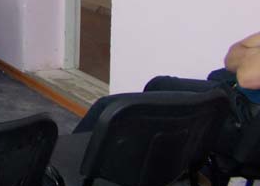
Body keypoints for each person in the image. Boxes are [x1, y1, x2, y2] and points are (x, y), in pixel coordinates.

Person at [74, 32, 260, 137]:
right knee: (158, 84)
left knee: (110, 107)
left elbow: (247, 77)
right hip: (233, 95)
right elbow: (231, 59)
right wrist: (248, 55)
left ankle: (68, 172)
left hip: (242, 119)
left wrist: (249, 53)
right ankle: (151, 159)